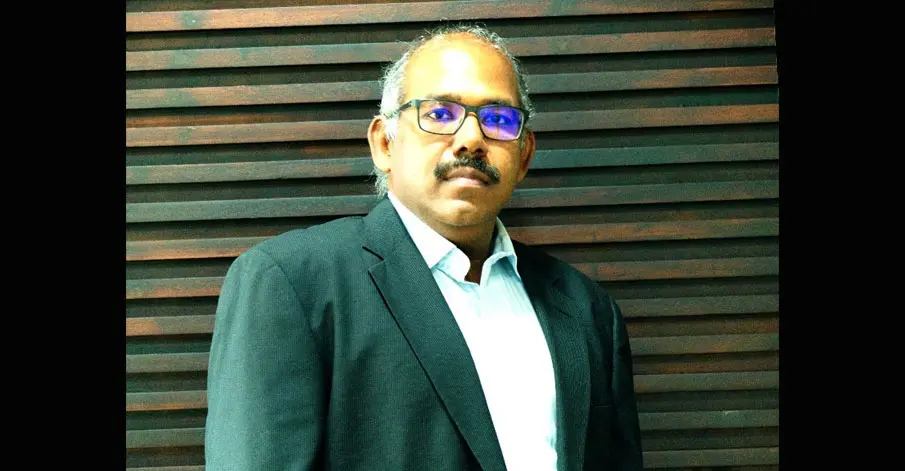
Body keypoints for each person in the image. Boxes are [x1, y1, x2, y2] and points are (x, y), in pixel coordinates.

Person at [205, 24, 643, 471]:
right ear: (384, 143)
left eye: (498, 119)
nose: (472, 139)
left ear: (524, 155)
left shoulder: (587, 310)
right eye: (439, 113)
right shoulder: (291, 285)